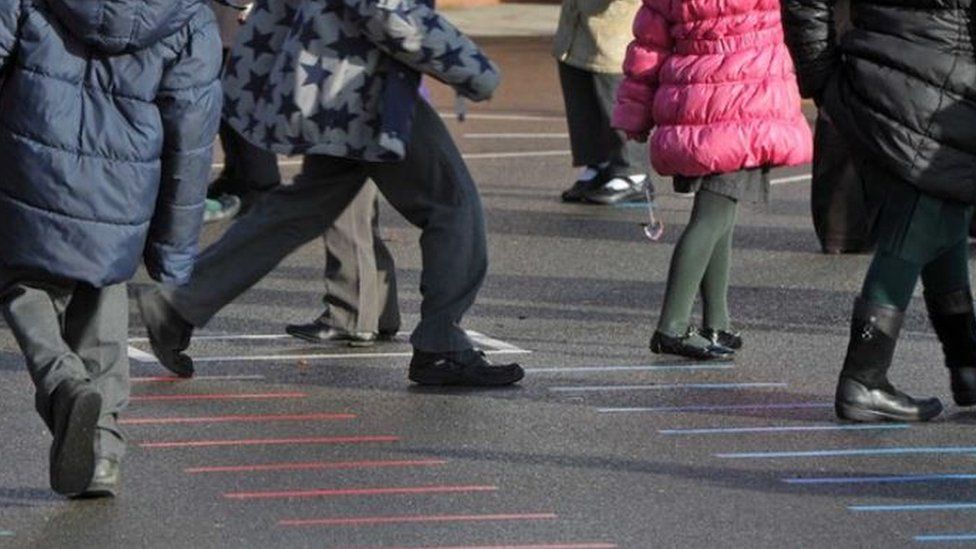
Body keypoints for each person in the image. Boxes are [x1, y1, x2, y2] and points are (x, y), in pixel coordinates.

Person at [137, 0, 525, 386]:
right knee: (451, 205)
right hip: (360, 84)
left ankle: (180, 304)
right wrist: (473, 69)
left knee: (299, 210)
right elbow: (387, 10)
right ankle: (443, 347)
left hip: (328, 75)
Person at [0, 0, 220, 497]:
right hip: (123, 187)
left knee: (21, 282)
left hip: (31, 166)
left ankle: (63, 384)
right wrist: (173, 248)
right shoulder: (189, 16)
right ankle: (101, 450)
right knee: (102, 289)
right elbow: (192, 138)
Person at [783, 0, 976, 421]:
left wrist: (822, 76)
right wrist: (819, 76)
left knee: (944, 211)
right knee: (921, 220)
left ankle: (967, 364)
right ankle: (864, 377)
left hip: (911, 76)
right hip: (927, 81)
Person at [612, 0, 812, 359]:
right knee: (712, 218)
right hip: (747, 103)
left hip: (696, 101)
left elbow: (648, 48)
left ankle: (717, 320)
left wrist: (634, 114)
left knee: (721, 213)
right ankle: (671, 327)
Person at [207, 1, 401, 346]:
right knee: (353, 193)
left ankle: (352, 315)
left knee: (341, 196)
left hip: (339, 62)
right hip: (357, 60)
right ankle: (378, 309)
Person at [553, 0, 651, 204]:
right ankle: (599, 163)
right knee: (581, 96)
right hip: (576, 25)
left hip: (615, 26)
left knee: (616, 100)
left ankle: (633, 174)